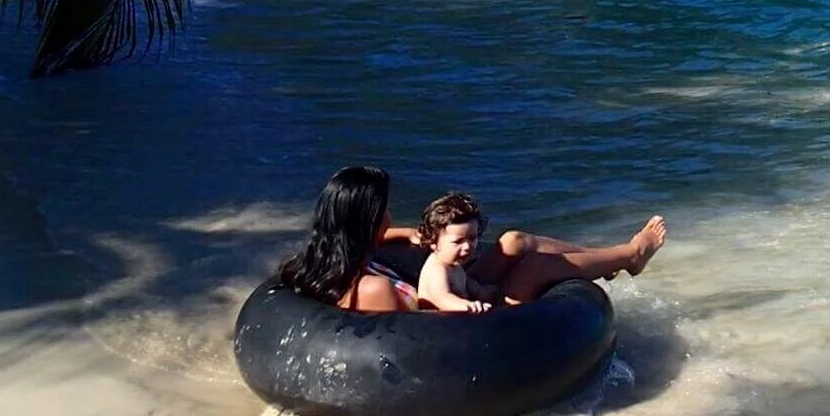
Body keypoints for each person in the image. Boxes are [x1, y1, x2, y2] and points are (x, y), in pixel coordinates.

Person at [416, 188, 667, 307]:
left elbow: (467, 285)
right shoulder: (437, 270)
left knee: (514, 240)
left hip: (476, 303)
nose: (468, 247)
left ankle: (611, 259)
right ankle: (629, 255)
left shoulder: (453, 263)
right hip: (466, 329)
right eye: (458, 242)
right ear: (433, 242)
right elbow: (443, 298)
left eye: (472, 239)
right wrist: (469, 305)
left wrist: (482, 291)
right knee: (536, 265)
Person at [278, 164, 420, 313]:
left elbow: (354, 237)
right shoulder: (373, 289)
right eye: (386, 209)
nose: (389, 217)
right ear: (369, 221)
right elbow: (408, 334)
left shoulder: (317, 266)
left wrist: (406, 233)